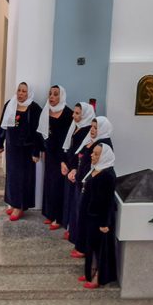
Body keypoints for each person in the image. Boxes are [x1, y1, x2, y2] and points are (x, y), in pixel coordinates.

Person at [0, 82, 43, 221]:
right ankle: (13, 202)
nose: (21, 94)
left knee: (24, 178)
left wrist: (36, 151)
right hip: (12, 148)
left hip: (26, 150)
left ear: (29, 93)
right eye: (19, 90)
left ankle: (20, 206)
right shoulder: (10, 104)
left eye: (24, 91)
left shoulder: (34, 109)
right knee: (12, 176)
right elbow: (3, 125)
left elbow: (38, 133)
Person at [73, 116, 114, 257]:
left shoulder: (104, 144)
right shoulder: (95, 141)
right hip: (86, 184)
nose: (92, 129)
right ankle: (81, 246)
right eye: (92, 126)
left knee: (87, 220)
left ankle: (84, 249)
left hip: (92, 188)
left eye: (96, 127)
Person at [79, 143, 118, 289]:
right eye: (93, 153)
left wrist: (105, 223)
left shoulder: (107, 175)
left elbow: (107, 201)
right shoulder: (95, 169)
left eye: (96, 154)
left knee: (100, 249)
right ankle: (90, 272)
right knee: (91, 247)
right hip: (90, 216)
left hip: (100, 220)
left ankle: (98, 277)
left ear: (104, 156)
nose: (92, 155)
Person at [37, 85, 72, 229]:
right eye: (50, 94)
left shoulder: (68, 114)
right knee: (49, 184)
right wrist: (42, 150)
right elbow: (41, 133)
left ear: (61, 96)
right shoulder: (46, 111)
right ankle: (50, 213)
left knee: (59, 186)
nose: (51, 97)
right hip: (50, 154)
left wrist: (65, 159)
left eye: (55, 94)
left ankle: (59, 218)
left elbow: (69, 139)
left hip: (62, 155)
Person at [61, 102, 95, 250]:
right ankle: (71, 229)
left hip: (77, 171)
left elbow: (80, 154)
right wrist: (64, 163)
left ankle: (75, 233)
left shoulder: (86, 130)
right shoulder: (77, 127)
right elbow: (69, 147)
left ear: (85, 114)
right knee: (71, 202)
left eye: (77, 113)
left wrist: (73, 168)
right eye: (74, 112)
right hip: (71, 169)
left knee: (76, 205)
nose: (73, 115)